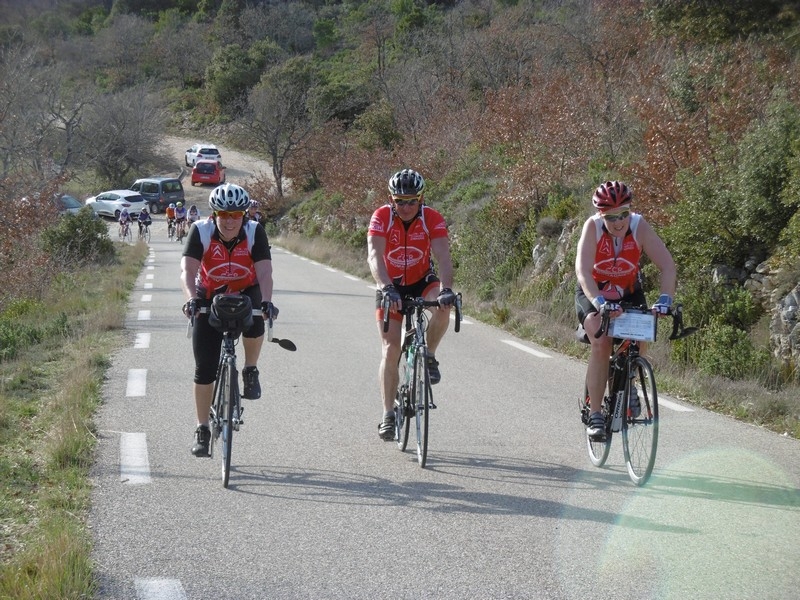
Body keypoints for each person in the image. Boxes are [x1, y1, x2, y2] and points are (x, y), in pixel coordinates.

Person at [180, 183, 279, 457]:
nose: (230, 221)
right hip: (209, 293)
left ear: (244, 215)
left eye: (236, 215)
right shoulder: (200, 230)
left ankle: (250, 368)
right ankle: (202, 429)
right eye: (224, 215)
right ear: (214, 215)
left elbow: (265, 273)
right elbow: (187, 270)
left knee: (259, 312)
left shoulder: (254, 231)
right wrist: (191, 299)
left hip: (246, 289)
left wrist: (268, 302)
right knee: (204, 369)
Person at [575, 180, 676, 441]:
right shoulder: (593, 228)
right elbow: (583, 271)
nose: (619, 222)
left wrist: (665, 299)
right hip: (595, 292)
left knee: (641, 334)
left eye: (623, 214)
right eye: (611, 217)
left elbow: (667, 265)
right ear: (601, 215)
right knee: (602, 338)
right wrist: (598, 302)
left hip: (629, 291)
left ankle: (629, 381)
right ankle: (596, 414)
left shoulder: (639, 226)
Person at [367, 168, 457, 441]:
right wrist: (386, 288)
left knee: (443, 307)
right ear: (391, 199)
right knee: (390, 349)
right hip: (390, 284)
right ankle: (387, 414)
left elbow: (442, 257)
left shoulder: (432, 218)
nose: (405, 207)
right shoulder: (382, 216)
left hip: (421, 280)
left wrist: (447, 289)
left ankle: (428, 355)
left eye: (411, 201)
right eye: (400, 201)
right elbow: (374, 256)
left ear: (421, 199)